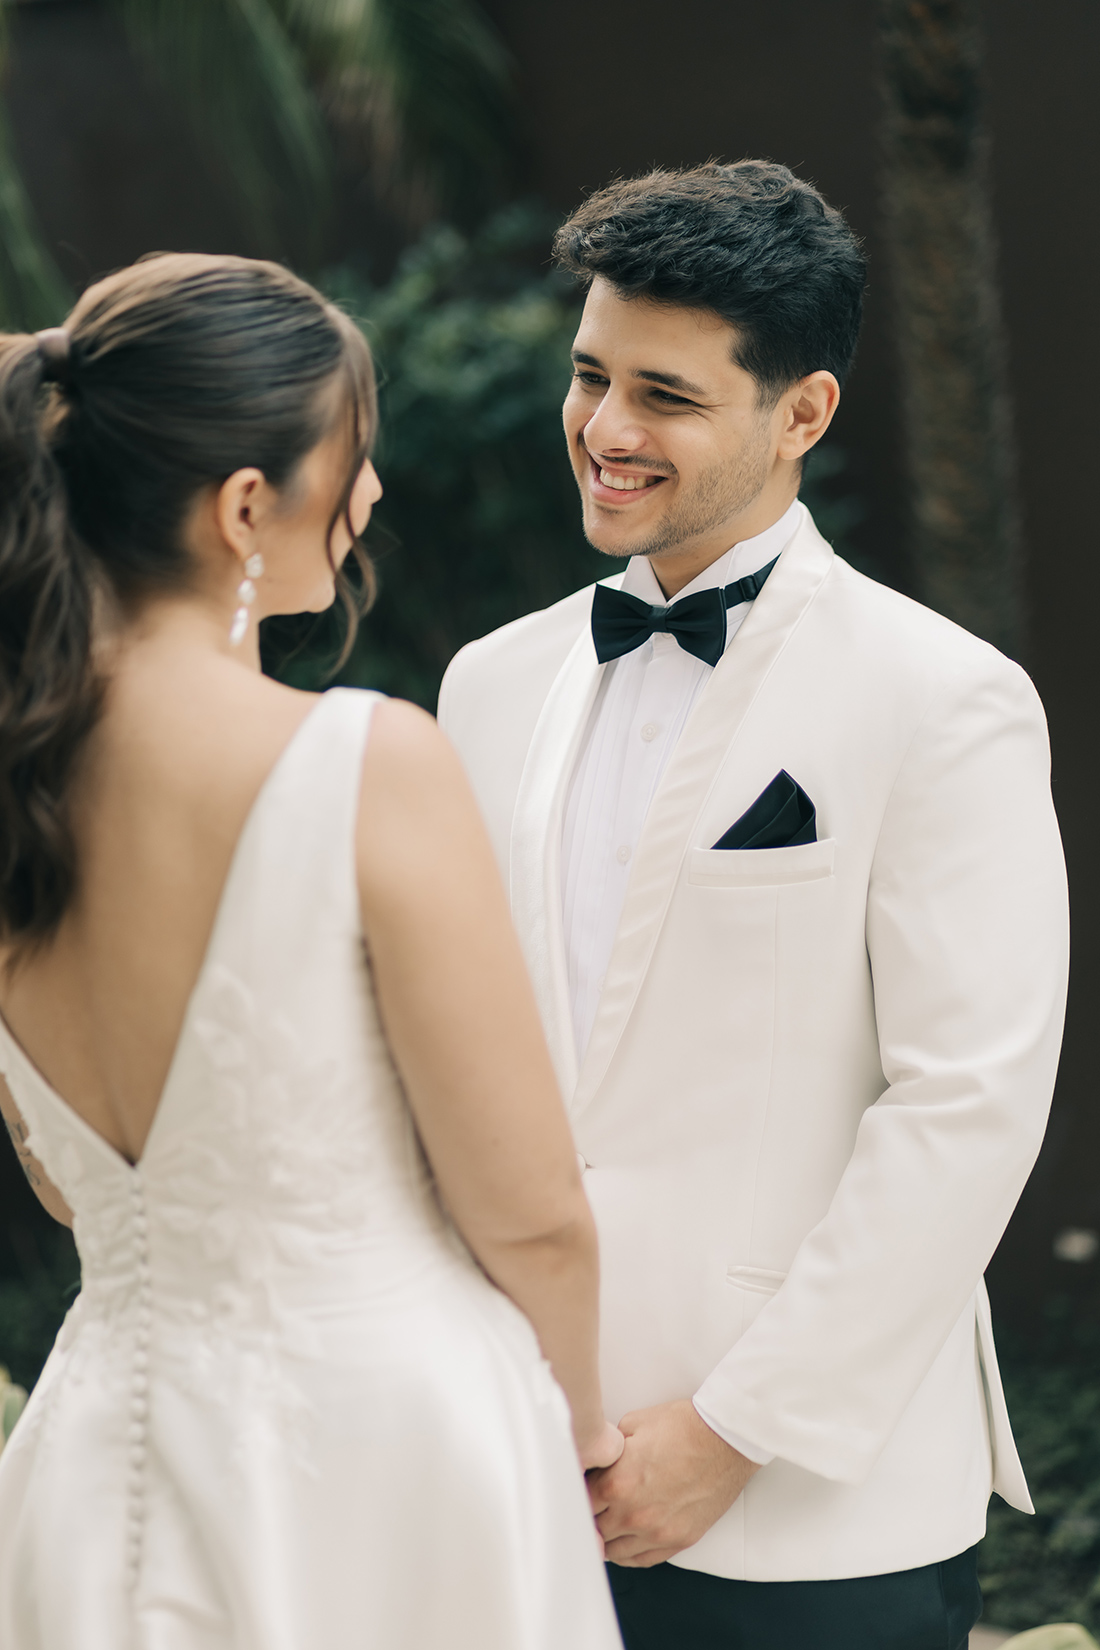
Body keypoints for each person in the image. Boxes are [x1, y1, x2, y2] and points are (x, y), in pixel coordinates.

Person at [438, 162, 1070, 1650]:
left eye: (665, 393)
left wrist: (733, 1428)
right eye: (590, 374)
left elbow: (967, 1106)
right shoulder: (489, 683)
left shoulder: (947, 699)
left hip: (808, 1505)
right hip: (521, 1473)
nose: (603, 429)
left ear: (803, 414)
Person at [0, 253, 625, 1649]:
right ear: (242, 508)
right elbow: (530, 1212)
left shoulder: (16, 790)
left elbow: (65, 1185)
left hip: (91, 1466)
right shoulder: (361, 761)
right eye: (352, 457)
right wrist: (575, 1428)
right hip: (381, 1461)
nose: (373, 495)